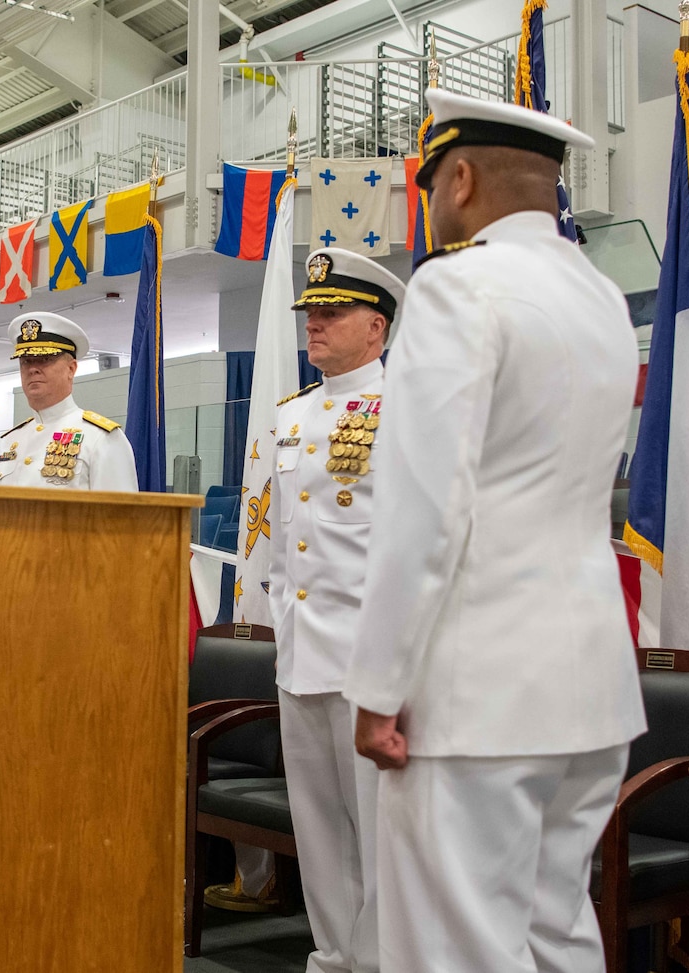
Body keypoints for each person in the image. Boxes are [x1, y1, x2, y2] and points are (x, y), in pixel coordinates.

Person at [344, 89, 646, 973]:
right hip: (589, 686)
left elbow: (427, 505)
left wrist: (378, 682)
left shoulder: (457, 285)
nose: (432, 200)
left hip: (475, 692)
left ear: (462, 177)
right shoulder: (601, 299)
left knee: (453, 953)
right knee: (558, 935)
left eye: (432, 182)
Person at [265, 248, 404, 973]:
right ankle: (336, 958)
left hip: (368, 663)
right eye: (311, 312)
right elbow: (286, 551)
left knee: (382, 839)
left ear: (375, 327)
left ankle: (381, 963)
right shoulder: (291, 416)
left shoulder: (407, 407)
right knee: (319, 833)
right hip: (302, 658)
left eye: (332, 312)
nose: (313, 323)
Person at [0, 313, 137, 491]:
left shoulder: (100, 438)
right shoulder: (11, 440)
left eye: (44, 359)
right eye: (26, 361)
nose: (33, 369)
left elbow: (119, 516)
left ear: (71, 369)